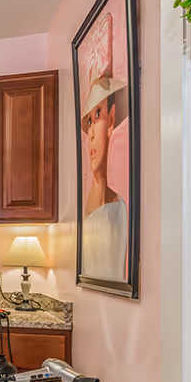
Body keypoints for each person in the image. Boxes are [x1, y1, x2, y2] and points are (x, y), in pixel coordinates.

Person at [80, 75, 128, 282]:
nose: (90, 134)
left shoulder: (119, 208)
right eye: (88, 121)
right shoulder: (88, 203)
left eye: (97, 115)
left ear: (111, 119)